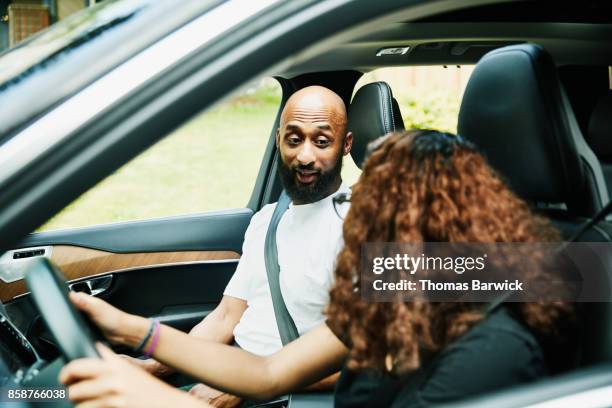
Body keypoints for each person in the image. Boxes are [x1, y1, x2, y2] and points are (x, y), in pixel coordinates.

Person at [60, 130, 572, 408]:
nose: (354, 222)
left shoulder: (490, 355)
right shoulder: (401, 293)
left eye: (370, 210)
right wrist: (128, 329)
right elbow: (267, 372)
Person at [128, 85, 353, 406]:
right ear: (278, 140)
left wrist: (249, 384)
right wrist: (153, 367)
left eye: (321, 142)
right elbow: (226, 316)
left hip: (288, 393)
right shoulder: (267, 219)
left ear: (345, 145)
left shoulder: (364, 224)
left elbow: (372, 358)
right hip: (235, 369)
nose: (305, 156)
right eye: (293, 139)